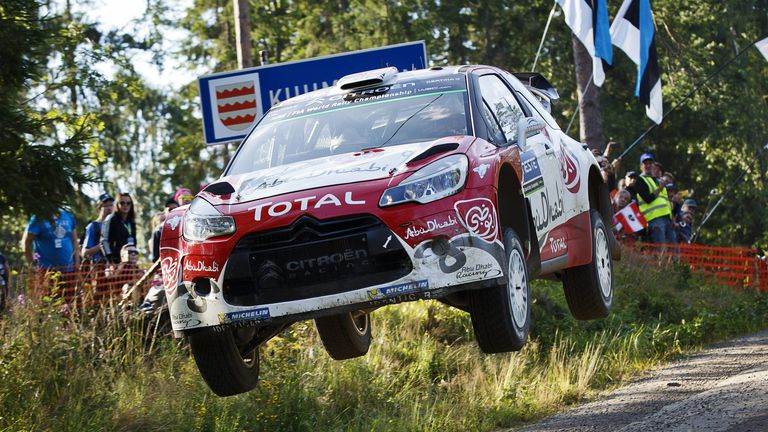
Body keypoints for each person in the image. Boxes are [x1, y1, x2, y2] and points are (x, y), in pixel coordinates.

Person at [23, 208, 80, 296]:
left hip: (69, 270)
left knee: (70, 304)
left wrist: (77, 265)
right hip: (46, 271)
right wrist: (32, 266)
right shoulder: (38, 218)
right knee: (48, 304)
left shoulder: (68, 215)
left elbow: (74, 241)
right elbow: (26, 243)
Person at [633, 153, 676, 244]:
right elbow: (648, 199)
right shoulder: (640, 180)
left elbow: (666, 201)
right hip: (654, 219)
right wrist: (660, 188)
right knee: (661, 250)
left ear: (654, 165)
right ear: (641, 166)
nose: (648, 165)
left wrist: (671, 218)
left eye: (650, 163)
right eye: (645, 163)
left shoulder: (658, 180)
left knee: (673, 250)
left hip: (667, 218)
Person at [101, 192, 137, 264]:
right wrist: (110, 260)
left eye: (128, 203)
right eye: (122, 203)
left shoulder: (131, 221)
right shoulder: (111, 218)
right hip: (114, 262)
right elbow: (103, 241)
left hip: (129, 262)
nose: (125, 205)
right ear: (117, 204)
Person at [81, 193, 114, 263]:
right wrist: (102, 245)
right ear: (99, 208)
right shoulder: (93, 226)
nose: (109, 208)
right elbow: (84, 253)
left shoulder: (116, 225)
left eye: (111, 205)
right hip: (98, 267)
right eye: (105, 206)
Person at [150, 197, 179, 262]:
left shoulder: (186, 228)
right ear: (165, 212)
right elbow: (155, 257)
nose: (173, 211)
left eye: (175, 209)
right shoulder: (158, 231)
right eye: (170, 209)